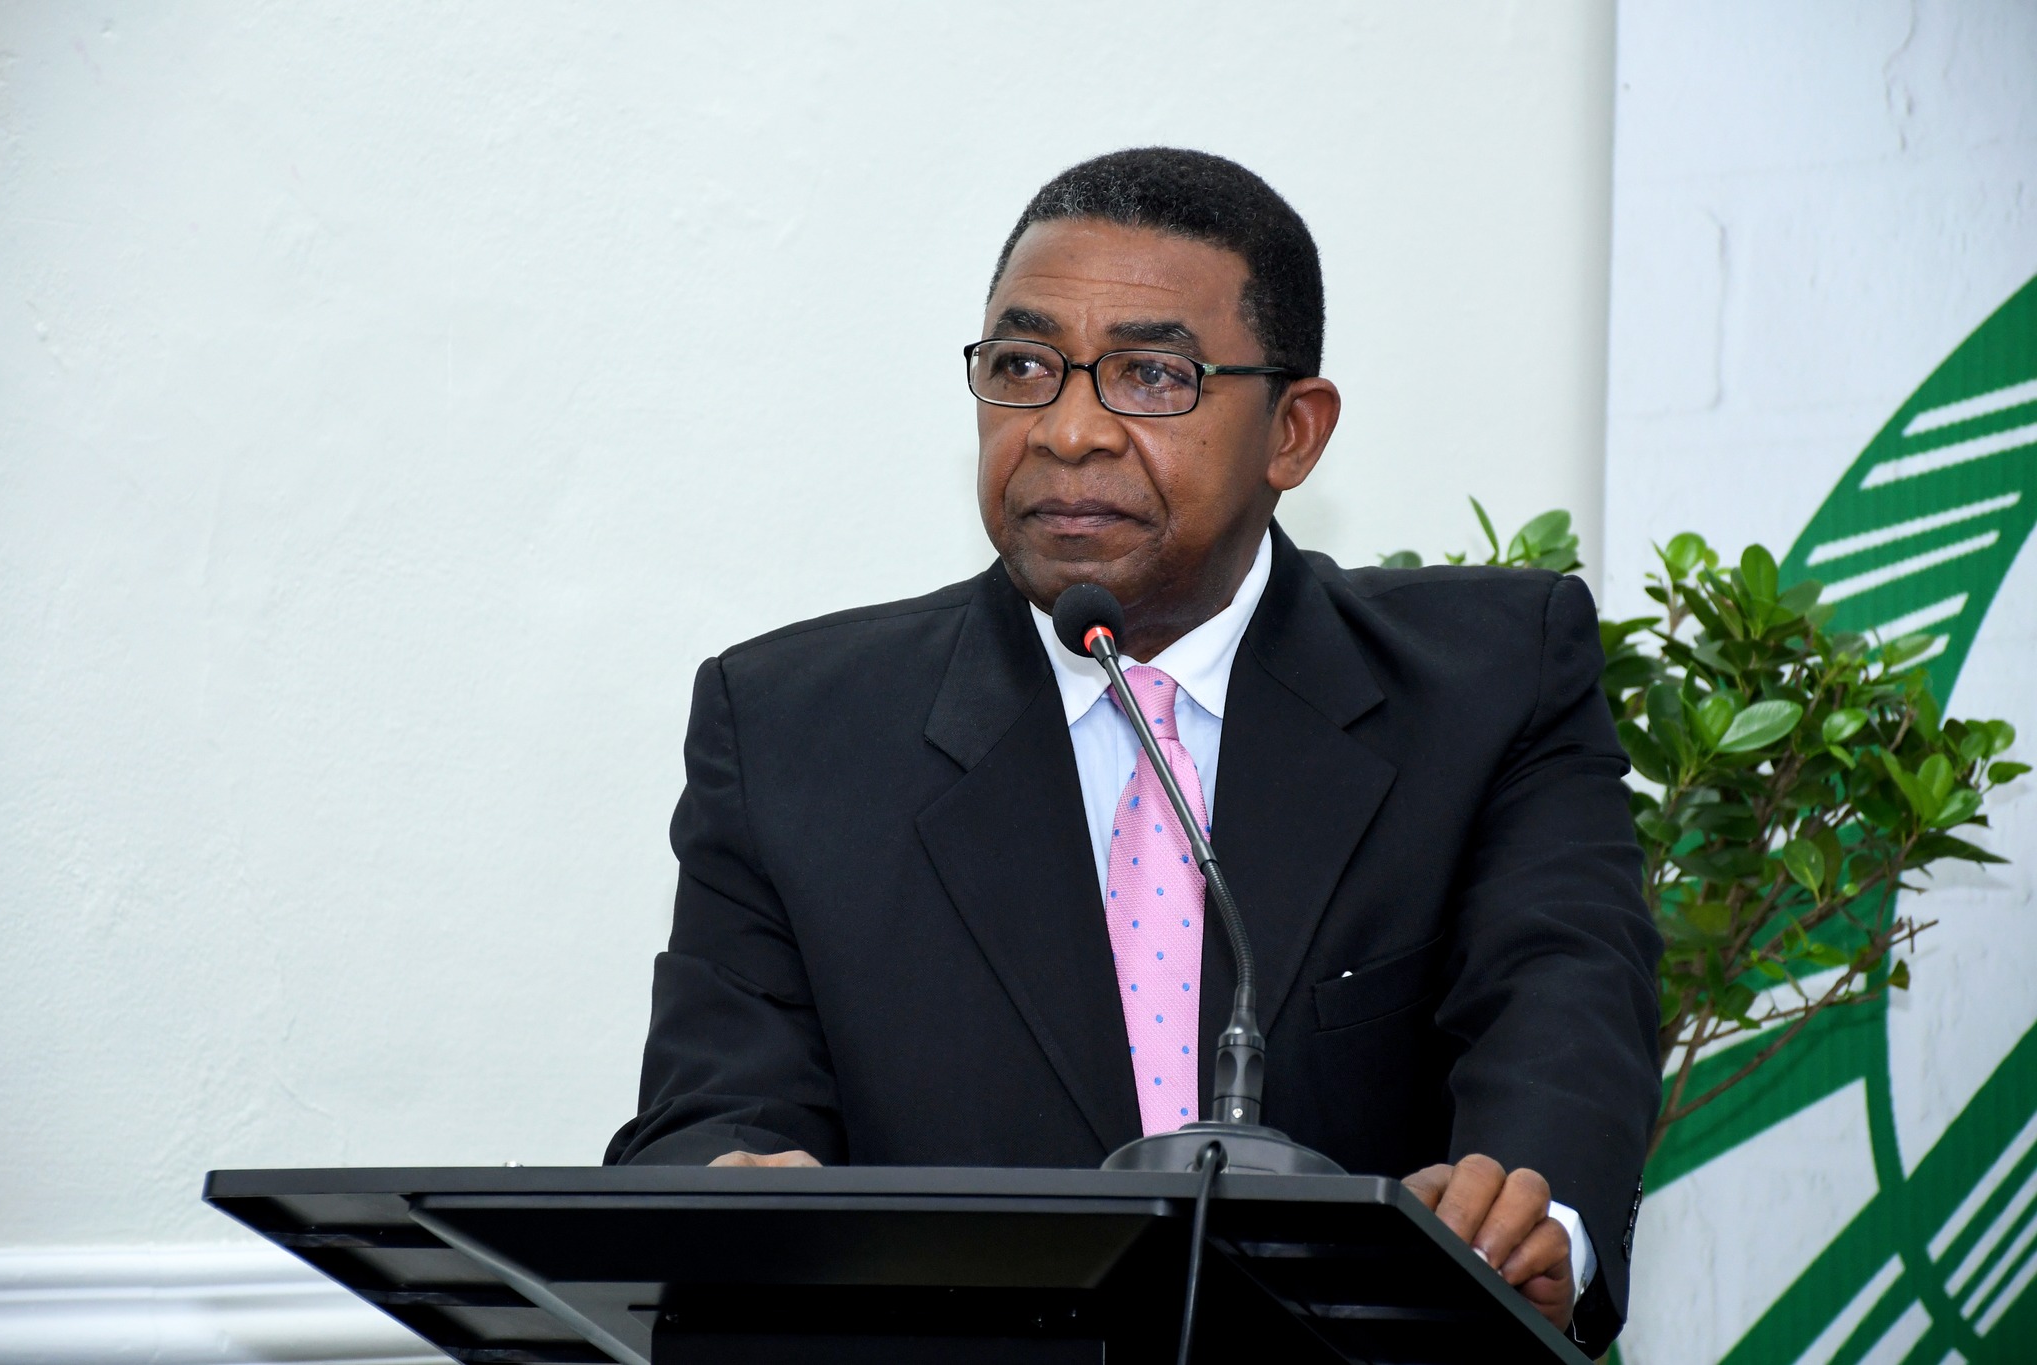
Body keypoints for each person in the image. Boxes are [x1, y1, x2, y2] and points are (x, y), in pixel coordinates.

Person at [606, 147, 1661, 1352]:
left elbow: (1560, 1009)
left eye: (1152, 376)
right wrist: (733, 1187)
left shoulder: (1486, 685)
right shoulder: (789, 727)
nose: (1066, 432)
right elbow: (713, 1107)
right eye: (1021, 368)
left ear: (1292, 433)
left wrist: (1527, 1223)